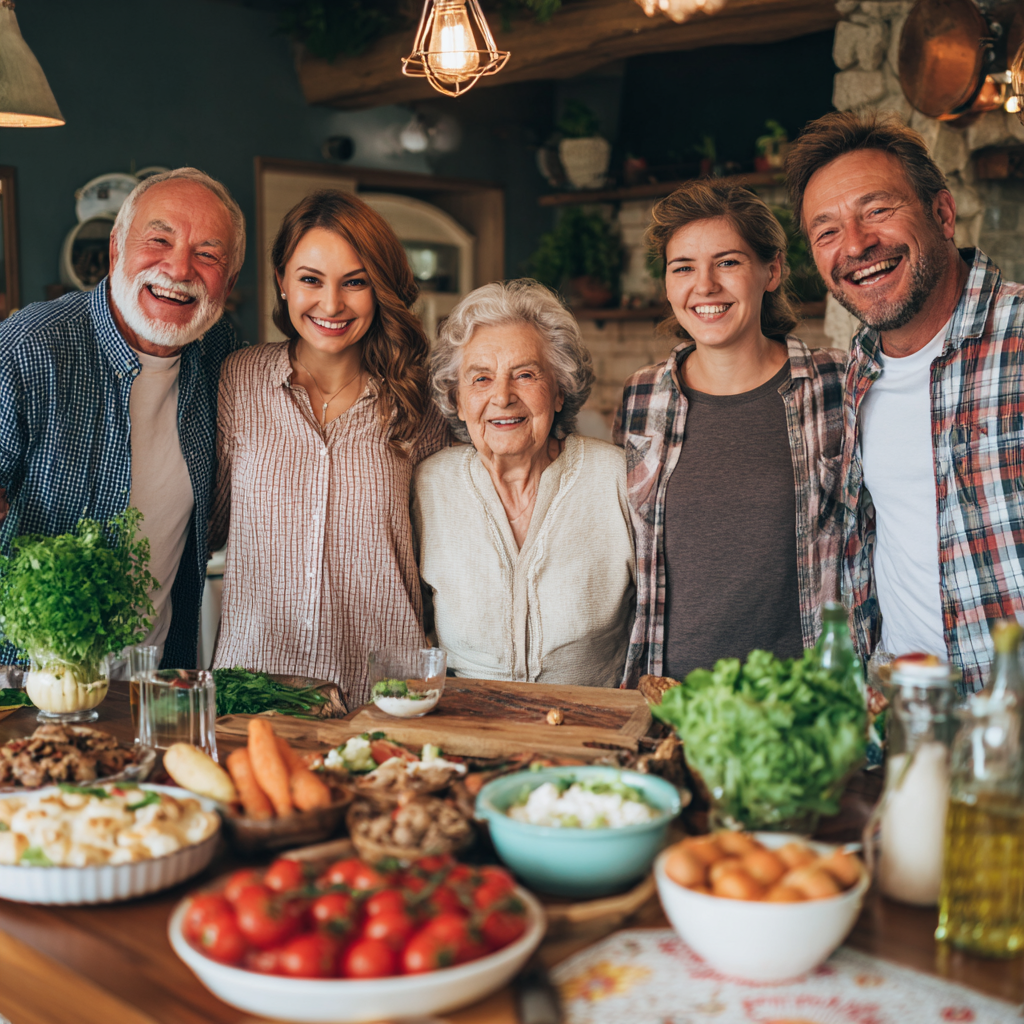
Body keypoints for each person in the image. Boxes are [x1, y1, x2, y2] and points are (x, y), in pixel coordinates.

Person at [787, 111, 1024, 692]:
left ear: (941, 214)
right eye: (827, 232)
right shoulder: (858, 373)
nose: (857, 246)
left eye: (877, 210)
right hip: (909, 722)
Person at [0, 168, 246, 668]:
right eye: (159, 240)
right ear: (115, 250)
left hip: (152, 687)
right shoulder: (31, 347)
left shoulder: (224, 356)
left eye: (208, 254)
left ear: (230, 280)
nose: (179, 270)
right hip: (26, 683)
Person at [211, 190, 448, 707]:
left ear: (380, 288)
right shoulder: (239, 379)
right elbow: (207, 523)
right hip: (256, 688)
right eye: (310, 280)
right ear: (281, 281)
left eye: (355, 282)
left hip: (384, 691)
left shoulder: (421, 399)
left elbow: (448, 554)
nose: (332, 304)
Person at [615, 180, 845, 686]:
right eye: (683, 268)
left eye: (728, 262)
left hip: (803, 701)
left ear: (772, 270)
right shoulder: (641, 397)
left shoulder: (837, 384)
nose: (705, 286)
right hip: (671, 698)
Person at [414, 279, 635, 687]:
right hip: (467, 724)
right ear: (458, 401)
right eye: (480, 379)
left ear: (558, 391)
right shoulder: (429, 486)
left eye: (526, 374)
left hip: (592, 728)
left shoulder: (617, 479)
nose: (502, 396)